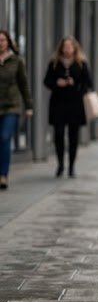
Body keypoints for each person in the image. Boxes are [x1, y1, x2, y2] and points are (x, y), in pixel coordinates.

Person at [43, 37, 93, 178]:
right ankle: (60, 164)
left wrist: (75, 84)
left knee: (73, 136)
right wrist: (57, 83)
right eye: (65, 46)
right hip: (58, 103)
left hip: (75, 104)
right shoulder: (54, 63)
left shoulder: (81, 64)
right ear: (61, 48)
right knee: (58, 134)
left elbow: (88, 83)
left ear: (75, 48)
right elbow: (47, 81)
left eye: (70, 47)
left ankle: (71, 166)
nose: (67, 49)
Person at [0, 31, 32, 189]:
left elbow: (23, 84)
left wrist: (29, 106)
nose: (1, 43)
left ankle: (3, 175)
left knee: (5, 137)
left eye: (3, 40)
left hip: (12, 106)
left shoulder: (17, 61)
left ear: (8, 42)